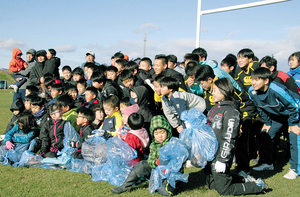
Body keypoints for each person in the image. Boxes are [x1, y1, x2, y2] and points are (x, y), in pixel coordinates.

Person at [205, 78, 268, 196]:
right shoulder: (214, 108)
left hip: (221, 155)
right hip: (211, 154)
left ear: (224, 91)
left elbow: (229, 137)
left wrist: (223, 160)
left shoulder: (231, 111)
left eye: (215, 90)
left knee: (224, 190)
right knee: (212, 184)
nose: (212, 93)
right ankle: (242, 177)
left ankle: (257, 186)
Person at [249, 67, 300, 179]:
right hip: (279, 115)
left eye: (257, 80)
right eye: (252, 79)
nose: (253, 82)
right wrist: (267, 122)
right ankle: (268, 163)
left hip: (295, 114)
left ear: (266, 81)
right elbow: (260, 108)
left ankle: (295, 169)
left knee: (294, 137)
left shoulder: (277, 89)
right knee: (266, 134)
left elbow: (294, 106)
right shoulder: (252, 92)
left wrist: (292, 124)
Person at [111, 115, 177, 195]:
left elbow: (178, 161)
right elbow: (151, 160)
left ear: (168, 131)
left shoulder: (173, 143)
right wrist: (156, 162)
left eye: (162, 132)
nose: (159, 136)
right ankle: (125, 186)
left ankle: (172, 184)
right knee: (141, 165)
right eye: (156, 133)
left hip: (168, 173)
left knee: (164, 191)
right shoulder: (153, 145)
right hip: (156, 170)